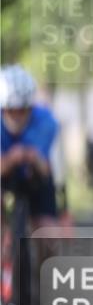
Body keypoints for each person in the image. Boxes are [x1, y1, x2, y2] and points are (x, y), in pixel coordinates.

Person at [0, 65, 60, 231]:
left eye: (23, 110)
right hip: (4, 178)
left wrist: (32, 157)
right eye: (12, 110)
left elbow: (45, 170)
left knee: (47, 234)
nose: (17, 116)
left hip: (36, 178)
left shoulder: (46, 121)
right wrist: (12, 158)